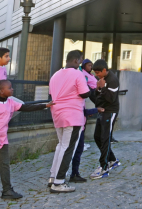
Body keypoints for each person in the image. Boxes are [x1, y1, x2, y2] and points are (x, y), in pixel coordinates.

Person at [0, 80, 53, 201]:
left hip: (2, 139)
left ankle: (7, 191)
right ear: (1, 91)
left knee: (5, 165)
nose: (12, 89)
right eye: (9, 88)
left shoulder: (10, 102)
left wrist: (45, 105)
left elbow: (25, 107)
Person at [48, 50, 92, 193]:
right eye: (80, 61)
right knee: (67, 148)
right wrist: (95, 88)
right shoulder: (78, 74)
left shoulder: (55, 75)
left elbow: (52, 94)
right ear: (76, 60)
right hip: (72, 115)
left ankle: (53, 177)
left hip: (57, 114)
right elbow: (84, 93)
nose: (80, 63)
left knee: (61, 146)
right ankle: (59, 182)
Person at [89, 60, 121, 179]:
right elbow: (97, 98)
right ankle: (112, 160)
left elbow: (110, 99)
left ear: (104, 70)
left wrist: (102, 88)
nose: (97, 75)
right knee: (97, 137)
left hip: (110, 111)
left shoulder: (112, 80)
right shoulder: (102, 80)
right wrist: (98, 89)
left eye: (98, 72)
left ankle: (104, 167)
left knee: (105, 138)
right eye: (95, 73)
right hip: (101, 111)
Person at [70, 59, 98, 183]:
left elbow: (83, 110)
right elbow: (81, 111)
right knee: (76, 149)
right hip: (77, 124)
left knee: (77, 148)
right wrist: (96, 109)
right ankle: (70, 174)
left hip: (79, 122)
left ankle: (73, 173)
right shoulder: (78, 94)